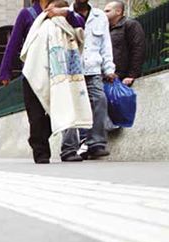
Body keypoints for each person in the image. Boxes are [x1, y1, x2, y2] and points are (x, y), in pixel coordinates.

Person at [0, 0, 85, 163]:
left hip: (59, 73)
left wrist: (64, 13)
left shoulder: (64, 9)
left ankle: (42, 140)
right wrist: (5, 71)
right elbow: (14, 42)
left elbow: (80, 25)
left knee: (61, 110)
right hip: (33, 74)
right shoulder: (27, 14)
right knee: (36, 115)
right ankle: (41, 152)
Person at [68, 0, 117, 160]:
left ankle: (96, 143)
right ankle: (79, 142)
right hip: (72, 70)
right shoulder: (66, 14)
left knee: (99, 100)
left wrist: (109, 68)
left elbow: (106, 44)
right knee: (76, 106)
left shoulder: (99, 16)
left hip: (93, 68)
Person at [104, 1, 146, 86]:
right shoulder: (105, 29)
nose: (104, 14)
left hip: (122, 78)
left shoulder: (130, 25)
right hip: (108, 76)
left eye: (107, 11)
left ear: (118, 11)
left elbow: (138, 49)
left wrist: (131, 75)